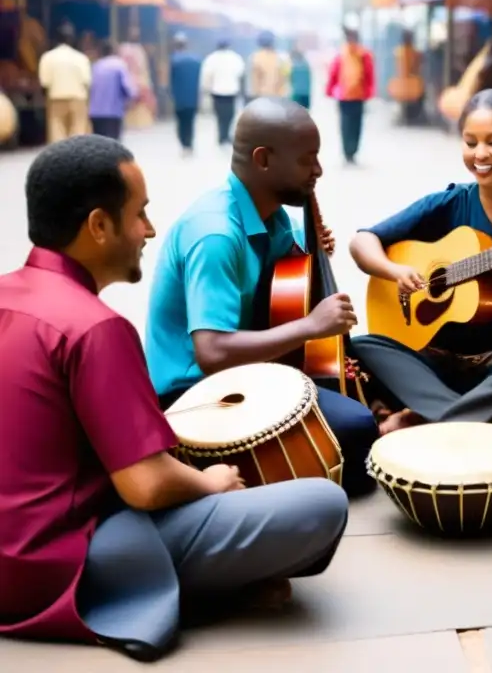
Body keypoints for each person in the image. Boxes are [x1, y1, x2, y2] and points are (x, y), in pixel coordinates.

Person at [0, 135, 350, 662]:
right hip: (59, 563)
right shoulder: (95, 327)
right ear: (99, 226)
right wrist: (212, 483)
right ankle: (188, 591)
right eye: (138, 214)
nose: (150, 230)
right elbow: (145, 484)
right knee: (321, 504)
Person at [144, 97, 379, 496]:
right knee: (357, 429)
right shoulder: (216, 234)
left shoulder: (274, 216)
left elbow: (287, 284)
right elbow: (212, 352)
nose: (319, 170)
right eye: (308, 160)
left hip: (252, 367)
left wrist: (312, 253)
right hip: (199, 391)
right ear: (263, 159)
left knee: (377, 353)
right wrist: (311, 326)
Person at [348, 89, 492, 442]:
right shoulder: (451, 203)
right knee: (363, 346)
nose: (480, 154)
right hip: (439, 365)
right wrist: (395, 271)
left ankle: (431, 426)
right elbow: (362, 241)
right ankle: (477, 421)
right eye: (470, 142)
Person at [326, 27, 375, 164]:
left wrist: (329, 90)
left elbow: (333, 73)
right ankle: (352, 151)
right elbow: (369, 75)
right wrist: (369, 92)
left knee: (345, 125)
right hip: (358, 96)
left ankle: (348, 151)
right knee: (356, 125)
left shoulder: (341, 54)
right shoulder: (364, 54)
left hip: (344, 96)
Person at [38, 22, 91, 142]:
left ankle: (60, 159)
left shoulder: (47, 57)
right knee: (78, 133)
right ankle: (76, 159)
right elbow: (86, 82)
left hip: (56, 99)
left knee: (57, 133)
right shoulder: (81, 58)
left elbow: (45, 83)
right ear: (72, 39)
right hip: (78, 99)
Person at [201, 39, 246, 146]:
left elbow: (206, 75)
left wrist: (207, 88)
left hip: (217, 91)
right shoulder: (235, 58)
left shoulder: (211, 58)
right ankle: (225, 135)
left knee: (220, 114)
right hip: (231, 91)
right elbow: (241, 73)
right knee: (229, 114)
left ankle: (222, 135)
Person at [88, 41, 135, 141]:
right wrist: (130, 99)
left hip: (96, 113)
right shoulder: (119, 65)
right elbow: (127, 87)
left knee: (99, 144)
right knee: (113, 146)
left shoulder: (96, 65)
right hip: (113, 112)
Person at [170, 32, 202, 155]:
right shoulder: (196, 60)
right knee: (190, 122)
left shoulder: (174, 60)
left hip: (179, 98)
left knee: (181, 122)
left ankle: (184, 144)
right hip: (193, 97)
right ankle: (189, 144)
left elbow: (171, 80)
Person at [249, 30, 289, 100]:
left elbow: (254, 82)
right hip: (278, 98)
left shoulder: (255, 58)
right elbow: (285, 77)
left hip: (261, 97)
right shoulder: (281, 58)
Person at [289, 45, 313, 109]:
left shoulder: (293, 66)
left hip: (296, 93)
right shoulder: (306, 65)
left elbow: (291, 80)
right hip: (306, 93)